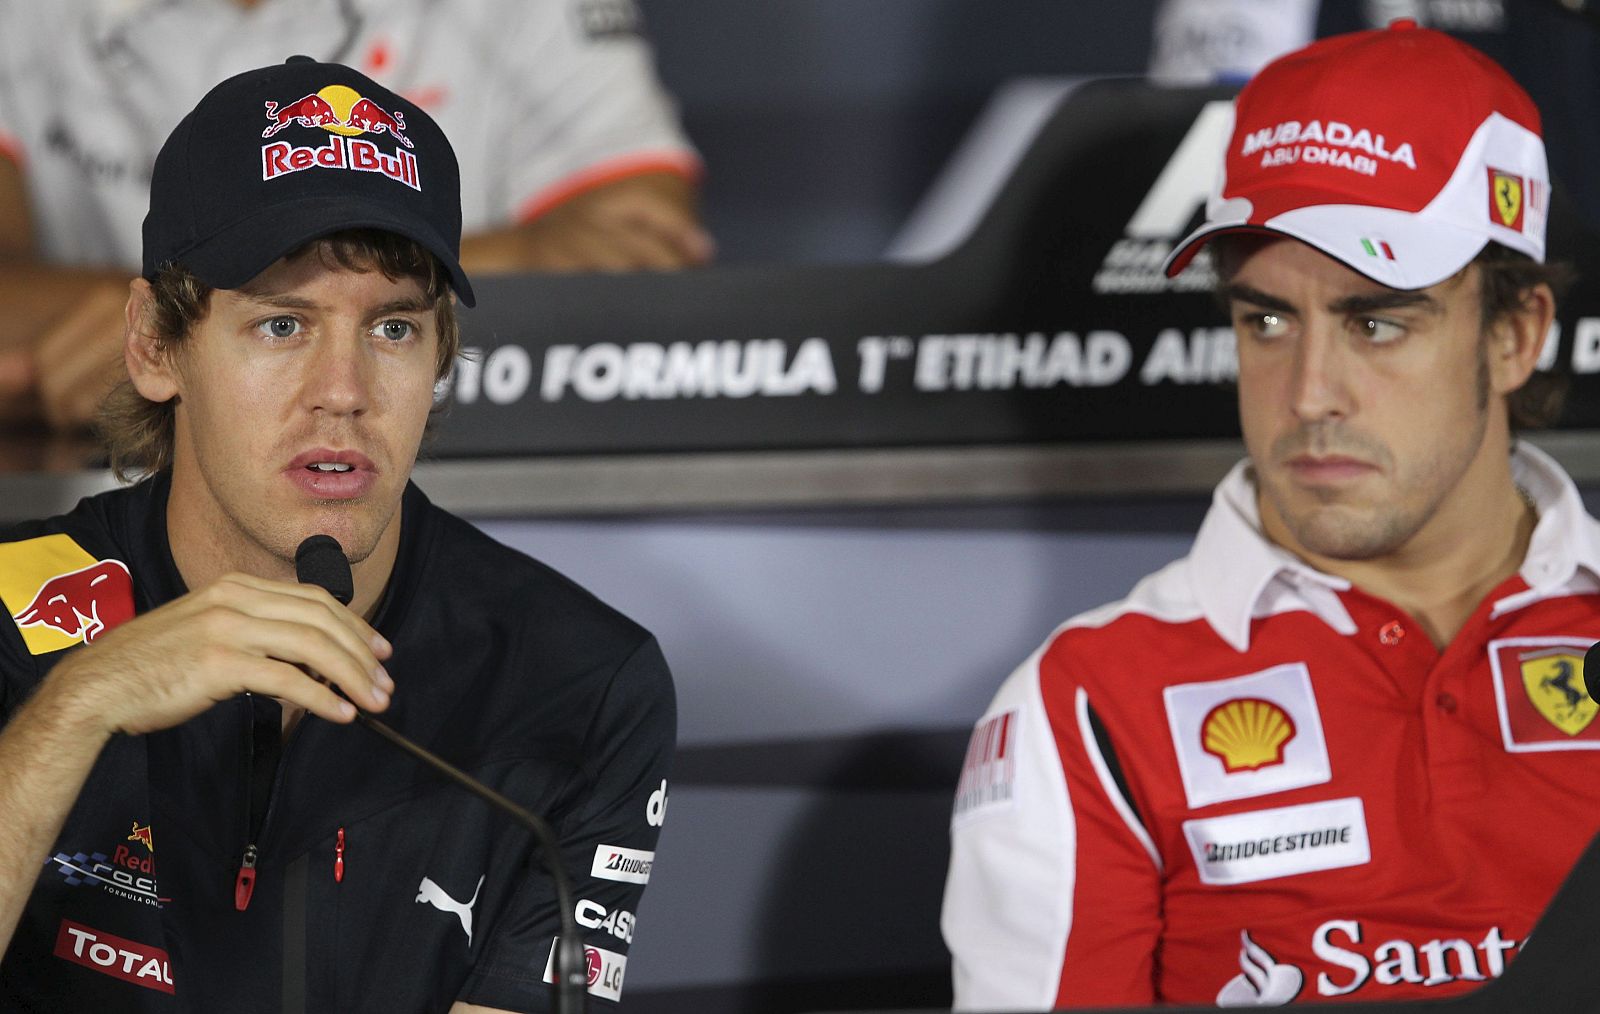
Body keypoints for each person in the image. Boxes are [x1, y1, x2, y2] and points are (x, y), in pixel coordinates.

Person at [942, 21, 1596, 1008]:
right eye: (1267, 321)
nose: (1307, 394)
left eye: (1376, 322)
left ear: (1514, 336)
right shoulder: (1085, 706)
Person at [0, 55, 674, 1012]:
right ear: (154, 345)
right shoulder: (10, 613)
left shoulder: (574, 680)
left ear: (442, 354)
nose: (345, 394)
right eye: (282, 326)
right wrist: (78, 705)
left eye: (394, 329)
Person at [0, 0, 710, 430]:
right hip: (124, 486)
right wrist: (511, 259)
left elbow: (642, 255)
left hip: (460, 485)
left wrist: (189, 322)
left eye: (393, 319)